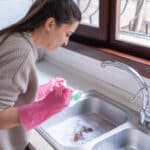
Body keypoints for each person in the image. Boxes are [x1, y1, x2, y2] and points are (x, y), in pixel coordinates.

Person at [0, 0, 81, 150]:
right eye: (67, 34)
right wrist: (44, 107)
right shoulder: (22, 52)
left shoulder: (16, 38)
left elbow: (8, 88)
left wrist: (37, 91)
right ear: (50, 24)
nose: (66, 42)